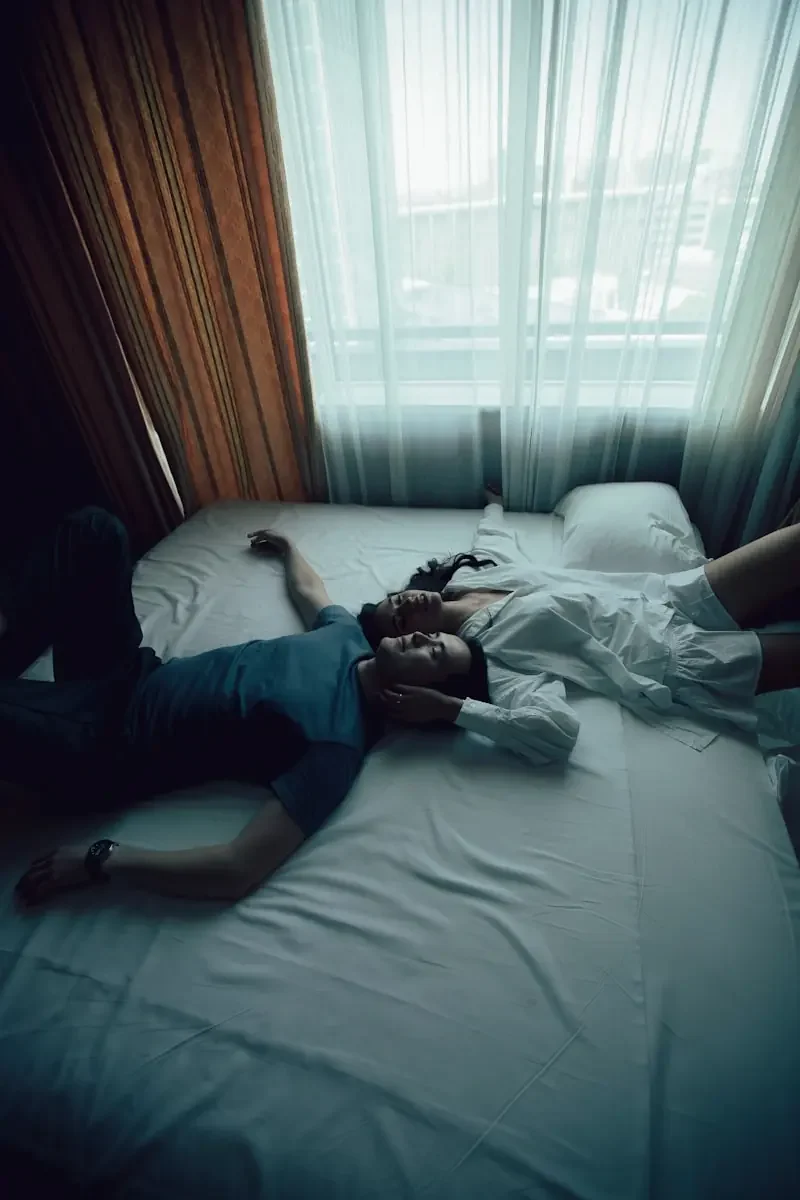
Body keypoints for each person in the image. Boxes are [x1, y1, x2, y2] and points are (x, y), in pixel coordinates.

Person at [3, 508, 540, 908]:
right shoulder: (347, 636)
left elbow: (238, 868)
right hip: (128, 672)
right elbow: (312, 591)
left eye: (434, 653)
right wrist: (288, 548)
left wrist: (102, 860)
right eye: (432, 635)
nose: (422, 635)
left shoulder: (336, 743)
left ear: (424, 695)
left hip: (103, 738)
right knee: (96, 531)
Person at [358, 490, 800, 753]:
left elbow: (490, 540)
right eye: (400, 621)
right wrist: (450, 708)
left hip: (664, 595)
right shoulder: (490, 658)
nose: (407, 605)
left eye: (395, 599)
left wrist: (494, 505)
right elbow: (552, 731)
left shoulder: (468, 579)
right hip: (673, 656)